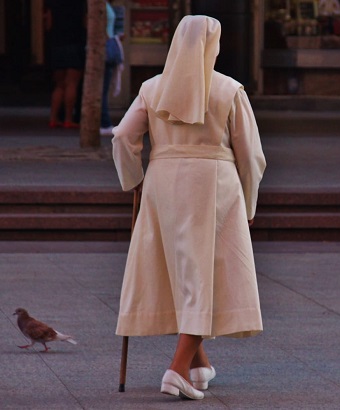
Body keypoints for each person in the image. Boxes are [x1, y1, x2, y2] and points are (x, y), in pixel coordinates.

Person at [112, 16, 266, 400]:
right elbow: (251, 156)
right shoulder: (229, 89)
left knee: (176, 268)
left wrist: (134, 178)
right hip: (214, 184)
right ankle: (177, 370)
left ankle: (198, 365)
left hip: (164, 181)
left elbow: (122, 136)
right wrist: (249, 199)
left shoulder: (152, 88)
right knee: (205, 274)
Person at [43, 0, 87, 128]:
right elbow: (86, 22)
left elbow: (48, 24)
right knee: (72, 83)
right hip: (75, 43)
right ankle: (68, 118)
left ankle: (53, 118)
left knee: (59, 85)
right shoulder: (80, 3)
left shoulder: (54, 3)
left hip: (57, 43)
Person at [100, 0, 121, 136]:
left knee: (104, 89)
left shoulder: (106, 5)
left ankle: (104, 121)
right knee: (102, 89)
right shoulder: (101, 5)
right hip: (105, 48)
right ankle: (104, 122)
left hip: (108, 45)